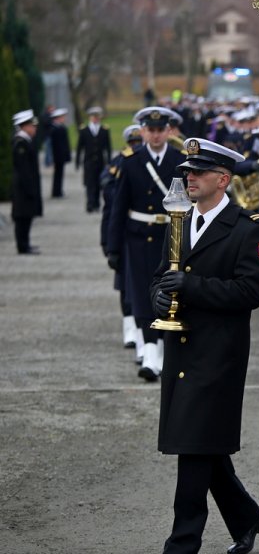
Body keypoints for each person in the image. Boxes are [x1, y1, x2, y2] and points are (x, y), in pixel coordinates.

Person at [149, 138, 259, 554]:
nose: (189, 178)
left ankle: (183, 542)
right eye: (187, 172)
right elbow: (160, 276)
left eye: (198, 173)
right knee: (202, 442)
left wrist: (193, 286)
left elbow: (250, 291)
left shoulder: (248, 227)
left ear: (223, 179)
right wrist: (160, 297)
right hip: (182, 349)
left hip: (219, 353)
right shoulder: (179, 220)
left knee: (193, 448)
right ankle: (246, 516)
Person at [107, 106, 185, 381]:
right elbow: (119, 207)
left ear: (168, 131)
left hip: (170, 238)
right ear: (142, 131)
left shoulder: (180, 160)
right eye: (150, 130)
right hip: (138, 237)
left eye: (159, 130)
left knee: (168, 294)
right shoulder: (130, 161)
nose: (154, 135)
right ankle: (150, 353)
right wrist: (113, 247)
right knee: (141, 295)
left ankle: (161, 347)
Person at [101, 125, 145, 355]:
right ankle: (129, 326)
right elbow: (110, 202)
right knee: (125, 284)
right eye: (133, 142)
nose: (136, 146)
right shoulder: (121, 162)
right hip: (126, 230)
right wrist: (108, 244)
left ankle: (143, 336)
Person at [11, 110, 43, 255]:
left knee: (27, 216)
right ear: (25, 127)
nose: (35, 129)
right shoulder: (20, 143)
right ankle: (22, 245)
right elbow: (23, 169)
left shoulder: (26, 141)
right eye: (32, 126)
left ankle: (25, 243)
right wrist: (30, 188)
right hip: (23, 187)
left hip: (27, 186)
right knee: (22, 216)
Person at [75, 106, 113, 213]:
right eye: (93, 117)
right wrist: (77, 161)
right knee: (89, 183)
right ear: (90, 118)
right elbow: (79, 147)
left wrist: (109, 162)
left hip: (100, 161)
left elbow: (108, 147)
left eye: (97, 117)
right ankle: (90, 204)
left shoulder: (104, 130)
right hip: (89, 162)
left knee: (99, 183)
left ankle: (97, 203)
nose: (95, 119)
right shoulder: (84, 130)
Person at [48, 108, 72, 198]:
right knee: (58, 174)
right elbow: (57, 145)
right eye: (62, 117)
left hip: (60, 156)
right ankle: (56, 191)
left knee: (60, 174)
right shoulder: (55, 129)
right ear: (57, 118)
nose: (64, 119)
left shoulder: (60, 127)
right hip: (58, 156)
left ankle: (58, 190)